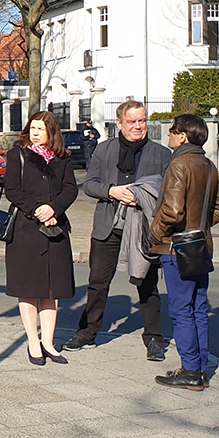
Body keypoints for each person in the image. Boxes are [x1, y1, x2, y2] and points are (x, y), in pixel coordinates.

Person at [66, 100, 172, 359]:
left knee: (147, 284)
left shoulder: (161, 154)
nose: (138, 126)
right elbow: (89, 185)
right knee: (98, 282)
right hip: (107, 226)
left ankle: (154, 337)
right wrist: (112, 191)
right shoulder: (104, 150)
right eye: (132, 122)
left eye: (142, 121)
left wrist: (145, 198)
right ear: (120, 124)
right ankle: (88, 332)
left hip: (144, 229)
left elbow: (170, 192)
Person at [149, 115, 219, 390]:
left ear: (182, 136)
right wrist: (199, 227)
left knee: (182, 310)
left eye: (172, 131)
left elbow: (172, 211)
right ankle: (200, 369)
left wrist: (155, 232)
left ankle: (190, 370)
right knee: (197, 309)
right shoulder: (207, 165)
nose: (168, 136)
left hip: (177, 248)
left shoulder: (179, 164)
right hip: (201, 246)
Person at [3, 112, 79, 365]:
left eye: (40, 128)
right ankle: (33, 342)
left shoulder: (63, 158)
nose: (35, 132)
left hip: (55, 228)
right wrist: (38, 209)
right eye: (32, 127)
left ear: (51, 132)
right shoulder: (17, 155)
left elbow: (70, 189)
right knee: (28, 288)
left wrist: (54, 209)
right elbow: (12, 190)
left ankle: (48, 341)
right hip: (26, 228)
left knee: (51, 289)